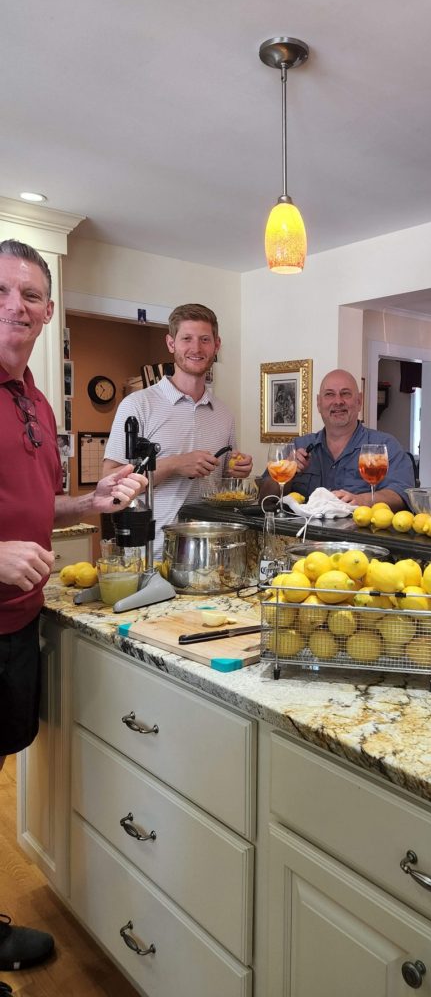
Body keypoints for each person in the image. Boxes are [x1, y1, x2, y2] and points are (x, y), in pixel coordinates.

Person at [0, 239, 147, 984]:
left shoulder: (34, 402)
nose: (16, 307)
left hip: (17, 622)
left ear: (48, 312)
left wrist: (89, 502)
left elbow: (35, 505)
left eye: (30, 295)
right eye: (2, 290)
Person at [103, 303, 253, 558]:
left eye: (205, 340)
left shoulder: (224, 414)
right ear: (171, 344)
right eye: (187, 339)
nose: (196, 348)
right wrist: (174, 465)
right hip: (150, 554)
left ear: (217, 345)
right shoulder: (138, 404)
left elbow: (221, 484)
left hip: (208, 554)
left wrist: (235, 470)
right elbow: (109, 484)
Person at [261, 369, 414, 508]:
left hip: (360, 537)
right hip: (302, 537)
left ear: (359, 401)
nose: (338, 401)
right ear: (319, 403)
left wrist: (363, 500)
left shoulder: (385, 446)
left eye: (345, 393)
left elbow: (401, 494)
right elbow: (265, 497)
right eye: (329, 394)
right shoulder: (298, 446)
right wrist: (287, 473)